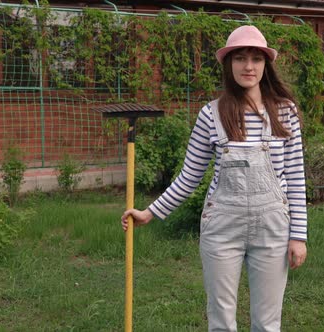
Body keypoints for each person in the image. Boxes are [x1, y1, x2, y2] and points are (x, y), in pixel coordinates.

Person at [121, 25, 307, 332]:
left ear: (266, 65)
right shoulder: (211, 114)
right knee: (220, 320)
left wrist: (298, 236)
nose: (248, 66)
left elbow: (297, 177)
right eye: (241, 58)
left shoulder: (285, 112)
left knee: (268, 322)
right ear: (228, 64)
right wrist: (150, 212)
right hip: (222, 229)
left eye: (256, 59)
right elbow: (189, 176)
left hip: (273, 229)